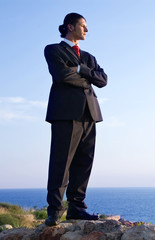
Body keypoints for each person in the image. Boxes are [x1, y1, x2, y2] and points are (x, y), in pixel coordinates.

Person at [44, 13, 107, 226]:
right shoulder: (53, 50)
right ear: (70, 26)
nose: (87, 30)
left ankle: (76, 208)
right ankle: (54, 211)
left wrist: (81, 69)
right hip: (65, 114)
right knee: (61, 163)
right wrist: (86, 80)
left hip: (90, 114)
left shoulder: (88, 57)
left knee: (84, 162)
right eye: (83, 26)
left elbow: (103, 80)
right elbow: (62, 75)